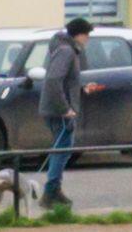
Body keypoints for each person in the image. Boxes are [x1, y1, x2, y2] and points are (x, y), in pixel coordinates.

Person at [34, 16, 91, 209]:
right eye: (87, 34)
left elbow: (65, 81)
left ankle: (54, 189)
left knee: (64, 147)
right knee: (62, 148)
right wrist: (65, 108)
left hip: (57, 108)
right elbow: (53, 80)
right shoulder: (67, 51)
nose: (88, 39)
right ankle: (51, 191)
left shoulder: (64, 49)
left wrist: (82, 89)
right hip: (59, 111)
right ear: (79, 35)